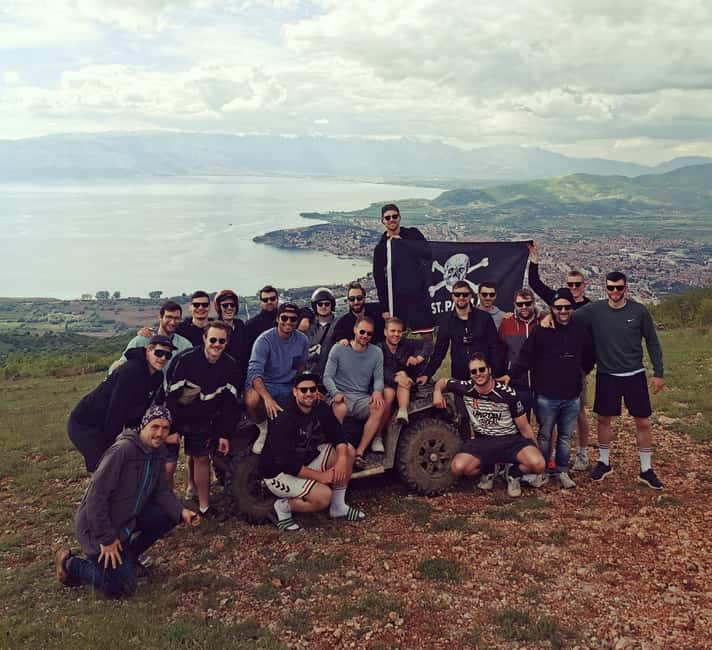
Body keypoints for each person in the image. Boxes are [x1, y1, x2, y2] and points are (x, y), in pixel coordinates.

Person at [55, 406, 199, 598]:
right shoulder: (123, 450)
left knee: (169, 515)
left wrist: (181, 511)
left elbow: (161, 492)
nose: (160, 433)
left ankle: (128, 557)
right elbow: (96, 497)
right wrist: (106, 538)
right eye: (155, 426)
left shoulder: (158, 452)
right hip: (96, 528)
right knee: (122, 588)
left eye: (165, 428)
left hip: (125, 520)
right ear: (143, 426)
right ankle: (70, 564)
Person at [573, 272, 665, 489]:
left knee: (642, 421)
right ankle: (604, 462)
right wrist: (548, 317)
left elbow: (652, 341)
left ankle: (646, 468)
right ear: (605, 288)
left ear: (626, 288)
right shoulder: (595, 310)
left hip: (635, 374)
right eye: (611, 288)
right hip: (607, 374)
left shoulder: (638, 311)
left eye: (619, 288)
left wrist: (658, 372)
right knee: (603, 419)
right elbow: (568, 316)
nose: (615, 292)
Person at [510, 288, 595, 489]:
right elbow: (525, 357)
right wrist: (509, 376)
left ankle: (562, 470)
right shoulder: (541, 330)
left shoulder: (580, 328)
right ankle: (542, 470)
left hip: (571, 394)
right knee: (545, 436)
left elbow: (590, 354)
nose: (563, 311)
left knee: (565, 437)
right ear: (552, 309)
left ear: (572, 308)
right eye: (558, 307)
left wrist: (579, 372)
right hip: (546, 395)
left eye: (566, 307)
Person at [258, 372, 365, 530]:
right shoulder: (284, 418)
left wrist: (342, 460)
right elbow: (287, 463)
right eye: (303, 390)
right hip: (279, 473)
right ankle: (284, 506)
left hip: (305, 461)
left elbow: (338, 433)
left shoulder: (320, 407)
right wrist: (321, 477)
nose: (309, 393)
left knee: (347, 450)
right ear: (295, 392)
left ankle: (338, 506)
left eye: (312, 389)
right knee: (323, 497)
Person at [433, 353, 545, 497]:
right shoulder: (466, 388)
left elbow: (524, 427)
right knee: (458, 467)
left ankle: (513, 472)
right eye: (474, 371)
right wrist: (437, 392)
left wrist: (536, 450)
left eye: (482, 369)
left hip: (510, 440)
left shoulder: (507, 394)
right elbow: (443, 381)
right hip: (483, 440)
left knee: (538, 464)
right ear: (470, 374)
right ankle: (489, 469)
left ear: (489, 370)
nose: (478, 374)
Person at [67, 335, 175, 472]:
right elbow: (116, 408)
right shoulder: (131, 370)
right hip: (86, 423)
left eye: (167, 355)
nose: (163, 358)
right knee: (106, 466)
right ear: (148, 350)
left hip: (105, 422)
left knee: (119, 464)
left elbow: (141, 410)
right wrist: (113, 443)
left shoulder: (157, 377)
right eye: (159, 353)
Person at [527, 241, 591, 470]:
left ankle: (582, 452)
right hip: (554, 370)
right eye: (570, 284)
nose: (573, 288)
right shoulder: (559, 301)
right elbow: (535, 283)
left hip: (576, 368)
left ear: (584, 285)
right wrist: (534, 260)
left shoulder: (590, 308)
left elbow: (593, 342)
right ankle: (551, 455)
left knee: (578, 412)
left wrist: (585, 367)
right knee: (552, 415)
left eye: (577, 284)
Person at [165, 322, 237, 515]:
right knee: (168, 462)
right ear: (204, 339)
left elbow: (228, 405)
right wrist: (171, 429)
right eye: (213, 339)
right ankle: (165, 504)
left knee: (201, 458)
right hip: (176, 413)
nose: (217, 344)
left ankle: (204, 506)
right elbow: (170, 397)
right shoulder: (185, 360)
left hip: (202, 417)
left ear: (227, 343)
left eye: (221, 341)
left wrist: (223, 434)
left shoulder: (230, 365)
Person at [245, 302, 309, 454]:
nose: (288, 322)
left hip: (288, 385)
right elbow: (254, 372)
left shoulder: (302, 340)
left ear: (297, 321)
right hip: (267, 384)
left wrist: (302, 389)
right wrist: (267, 398)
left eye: (293, 319)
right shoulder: (264, 340)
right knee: (252, 399)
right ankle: (263, 428)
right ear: (278, 319)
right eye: (284, 318)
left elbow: (301, 366)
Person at [323, 316, 385, 468]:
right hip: (339, 395)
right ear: (355, 330)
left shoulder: (376, 352)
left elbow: (378, 378)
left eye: (369, 333)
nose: (365, 336)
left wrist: (377, 391)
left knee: (378, 407)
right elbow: (327, 377)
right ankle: (337, 452)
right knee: (340, 408)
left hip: (360, 397)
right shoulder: (339, 349)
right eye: (362, 332)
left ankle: (359, 453)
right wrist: (335, 393)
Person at [419, 280, 502, 384]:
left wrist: (497, 373)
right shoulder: (446, 321)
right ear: (452, 296)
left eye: (465, 294)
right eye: (457, 294)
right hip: (460, 376)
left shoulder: (484, 318)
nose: (461, 297)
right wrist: (427, 374)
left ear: (470, 296)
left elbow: (495, 347)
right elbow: (440, 351)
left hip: (482, 373)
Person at [372, 203, 434, 337]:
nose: (391, 220)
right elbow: (379, 279)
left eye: (394, 216)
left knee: (426, 335)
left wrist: (403, 244)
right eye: (387, 218)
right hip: (396, 299)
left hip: (418, 295)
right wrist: (385, 308)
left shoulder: (413, 234)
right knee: (396, 336)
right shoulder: (381, 248)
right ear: (383, 221)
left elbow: (428, 253)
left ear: (399, 217)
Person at [377, 317, 430, 440]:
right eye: (393, 331)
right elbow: (379, 370)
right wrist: (395, 378)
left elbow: (428, 344)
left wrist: (418, 357)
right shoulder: (379, 348)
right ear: (385, 332)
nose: (396, 334)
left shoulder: (405, 343)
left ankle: (402, 411)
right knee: (389, 393)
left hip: (404, 383)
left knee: (402, 375)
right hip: (385, 381)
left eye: (399, 331)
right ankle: (378, 435)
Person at [109, 299, 192, 374]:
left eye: (176, 318)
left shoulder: (185, 345)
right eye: (169, 317)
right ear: (160, 317)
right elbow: (119, 366)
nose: (172, 322)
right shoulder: (141, 340)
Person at [498, 288, 542, 418]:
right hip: (517, 384)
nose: (524, 307)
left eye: (528, 303)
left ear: (534, 303)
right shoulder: (507, 323)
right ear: (514, 305)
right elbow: (501, 351)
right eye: (520, 304)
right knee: (521, 424)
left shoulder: (544, 321)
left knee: (546, 424)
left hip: (541, 384)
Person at [240, 285, 280, 383]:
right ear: (260, 302)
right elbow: (246, 355)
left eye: (272, 299)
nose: (269, 302)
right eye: (265, 300)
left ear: (277, 299)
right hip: (262, 374)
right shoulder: (251, 325)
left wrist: (306, 316)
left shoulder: (286, 320)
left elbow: (302, 311)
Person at [213, 289, 246, 387]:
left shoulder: (240, 325)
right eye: (225, 305)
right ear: (218, 308)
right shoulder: (214, 328)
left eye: (232, 305)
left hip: (241, 374)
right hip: (221, 376)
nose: (229, 308)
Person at [303, 287, 338, 376]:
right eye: (320, 304)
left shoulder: (339, 324)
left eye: (327, 304)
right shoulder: (308, 325)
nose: (323, 307)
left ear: (332, 305)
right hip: (311, 374)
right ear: (315, 306)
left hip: (332, 375)